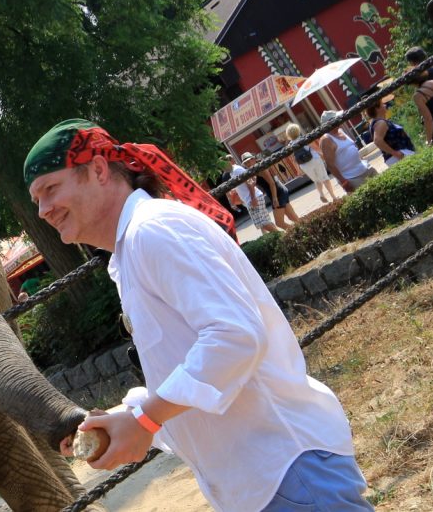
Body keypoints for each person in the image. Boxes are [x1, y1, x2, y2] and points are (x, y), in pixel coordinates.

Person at [24, 119, 371, 512]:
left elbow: (235, 337)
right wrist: (127, 418)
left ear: (100, 170)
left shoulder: (153, 231)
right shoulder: (131, 250)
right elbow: (186, 363)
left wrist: (146, 421)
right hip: (265, 479)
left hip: (286, 470)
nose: (43, 210)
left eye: (50, 189)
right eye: (37, 199)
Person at [318, 110, 377, 193]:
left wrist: (362, 160)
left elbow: (351, 148)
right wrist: (343, 182)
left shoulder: (341, 131)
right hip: (352, 178)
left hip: (365, 168)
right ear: (330, 122)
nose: (340, 119)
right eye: (337, 118)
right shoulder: (326, 140)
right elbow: (330, 165)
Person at [281, 123, 340, 202]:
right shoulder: (304, 138)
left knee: (317, 180)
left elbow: (294, 159)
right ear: (297, 130)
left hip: (304, 165)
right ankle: (334, 197)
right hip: (314, 159)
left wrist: (298, 171)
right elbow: (314, 147)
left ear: (289, 135)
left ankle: (321, 194)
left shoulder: (290, 145)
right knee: (324, 178)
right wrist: (323, 154)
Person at [241, 151, 299, 228]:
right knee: (293, 217)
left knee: (279, 223)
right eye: (246, 163)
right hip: (276, 193)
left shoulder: (261, 168)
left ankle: (298, 232)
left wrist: (275, 198)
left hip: (278, 193)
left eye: (249, 161)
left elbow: (272, 183)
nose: (248, 164)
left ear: (253, 159)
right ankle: (307, 230)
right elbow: (256, 183)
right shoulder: (254, 171)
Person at [228, 155, 281, 235]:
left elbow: (250, 182)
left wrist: (253, 198)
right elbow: (250, 181)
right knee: (265, 221)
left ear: (230, 161)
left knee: (263, 223)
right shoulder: (232, 172)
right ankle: (280, 237)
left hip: (252, 198)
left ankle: (282, 236)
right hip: (253, 197)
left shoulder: (236, 170)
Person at [364, 95, 416, 166]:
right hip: (398, 157)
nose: (385, 105)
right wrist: (396, 153)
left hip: (401, 155)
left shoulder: (379, 122)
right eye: (382, 104)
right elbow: (377, 141)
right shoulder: (380, 123)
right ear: (377, 109)